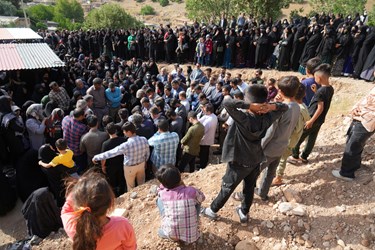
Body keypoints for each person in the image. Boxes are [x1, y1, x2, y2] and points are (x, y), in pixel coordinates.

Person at [201, 85, 288, 223]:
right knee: (249, 187)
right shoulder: (267, 118)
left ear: (250, 102)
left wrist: (249, 106)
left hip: (239, 161)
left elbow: (227, 102)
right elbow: (284, 107)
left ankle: (212, 210)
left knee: (227, 187)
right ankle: (244, 213)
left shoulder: (243, 117)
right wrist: (269, 107)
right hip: (255, 159)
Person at [61, 170, 137, 250]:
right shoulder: (122, 225)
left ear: (77, 204)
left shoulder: (73, 227)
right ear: (111, 203)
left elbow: (65, 211)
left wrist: (77, 192)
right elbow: (131, 248)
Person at [254, 76, 301, 201]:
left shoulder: (280, 110)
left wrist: (259, 147)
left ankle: (244, 195)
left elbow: (269, 133)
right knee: (270, 173)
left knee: (253, 172)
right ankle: (263, 193)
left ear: (280, 91)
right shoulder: (297, 106)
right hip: (282, 146)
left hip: (269, 148)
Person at [289, 64, 334, 164]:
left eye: (316, 77)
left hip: (312, 117)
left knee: (299, 136)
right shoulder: (330, 88)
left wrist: (310, 121)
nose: (315, 79)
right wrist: (316, 91)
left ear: (319, 77)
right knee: (312, 138)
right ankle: (304, 157)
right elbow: (323, 100)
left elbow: (320, 108)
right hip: (320, 119)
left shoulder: (321, 92)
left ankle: (295, 156)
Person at [332, 86, 375, 181]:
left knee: (352, 147)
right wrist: (356, 108)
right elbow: (366, 101)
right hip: (360, 120)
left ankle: (346, 173)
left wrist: (362, 112)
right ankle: (354, 165)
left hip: (366, 122)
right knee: (355, 144)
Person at [92, 122, 150, 191]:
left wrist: (96, 157)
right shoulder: (144, 139)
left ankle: (133, 200)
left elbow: (112, 153)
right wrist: (145, 161)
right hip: (141, 165)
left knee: (131, 187)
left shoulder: (126, 145)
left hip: (130, 168)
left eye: (124, 131)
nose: (123, 133)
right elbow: (147, 152)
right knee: (141, 184)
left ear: (128, 132)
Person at [155, 164, 205, 243]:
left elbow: (159, 192)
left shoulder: (163, 194)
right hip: (191, 235)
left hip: (171, 235)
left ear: (164, 184)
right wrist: (185, 187)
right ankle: (195, 220)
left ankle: (169, 225)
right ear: (180, 177)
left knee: (159, 200)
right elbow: (202, 198)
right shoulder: (191, 191)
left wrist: (162, 188)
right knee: (197, 201)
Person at [272, 84, 311, 185]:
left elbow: (290, 126)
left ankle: (278, 178)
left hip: (287, 140)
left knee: (282, 159)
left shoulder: (294, 109)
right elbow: (307, 120)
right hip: (294, 139)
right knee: (282, 157)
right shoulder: (304, 107)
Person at [101, 122, 127, 196]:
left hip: (111, 166)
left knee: (112, 182)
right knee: (122, 180)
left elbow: (104, 157)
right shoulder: (123, 140)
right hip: (121, 163)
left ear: (107, 132)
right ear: (116, 130)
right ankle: (122, 193)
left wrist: (103, 166)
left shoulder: (105, 144)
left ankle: (115, 195)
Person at [62, 108, 89, 174]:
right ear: (80, 116)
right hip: (77, 151)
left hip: (67, 149)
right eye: (83, 115)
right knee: (80, 166)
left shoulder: (65, 119)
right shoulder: (82, 127)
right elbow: (85, 138)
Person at [198, 103, 218, 169]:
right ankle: (203, 162)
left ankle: (202, 166)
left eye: (205, 109)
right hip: (209, 137)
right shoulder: (214, 116)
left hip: (205, 139)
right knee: (205, 151)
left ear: (209, 111)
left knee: (203, 153)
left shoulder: (208, 121)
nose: (203, 110)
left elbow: (202, 131)